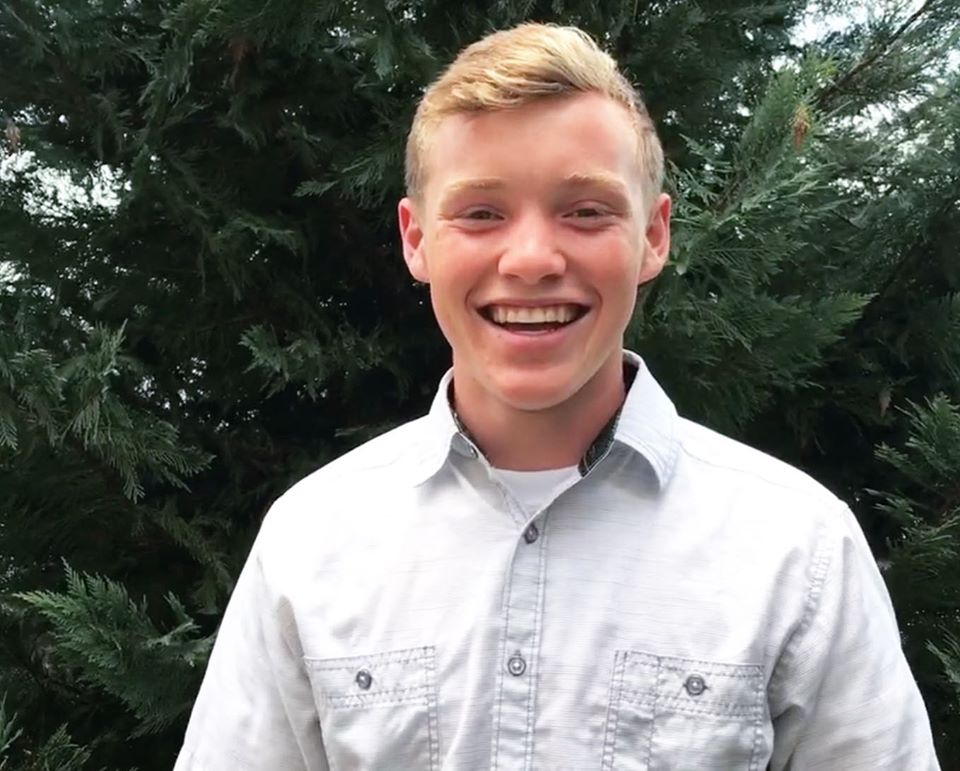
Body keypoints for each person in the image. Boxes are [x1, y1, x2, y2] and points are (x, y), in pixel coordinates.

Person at [175, 23, 940, 770]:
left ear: (654, 236)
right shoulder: (310, 542)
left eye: (586, 211)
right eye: (481, 213)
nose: (533, 259)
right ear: (416, 239)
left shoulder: (799, 550)